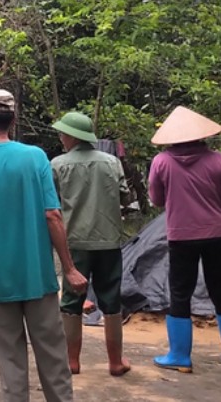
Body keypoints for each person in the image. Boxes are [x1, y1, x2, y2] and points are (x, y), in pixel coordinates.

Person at [0, 88, 87, 402]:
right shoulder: (35, 157)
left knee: (11, 365)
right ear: (13, 119)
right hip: (37, 277)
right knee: (54, 360)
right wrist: (69, 268)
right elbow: (53, 216)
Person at [148, 106, 221, 373]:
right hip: (217, 234)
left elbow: (156, 199)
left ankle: (180, 356)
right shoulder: (219, 160)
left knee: (180, 292)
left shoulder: (161, 162)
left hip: (181, 236)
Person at [50, 112, 132, 377]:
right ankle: (116, 362)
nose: (61, 138)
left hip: (75, 242)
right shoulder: (112, 162)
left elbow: (52, 204)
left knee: (72, 301)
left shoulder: (58, 165)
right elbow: (124, 196)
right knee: (111, 300)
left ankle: (72, 361)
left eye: (63, 133)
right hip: (109, 241)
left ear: (73, 136)